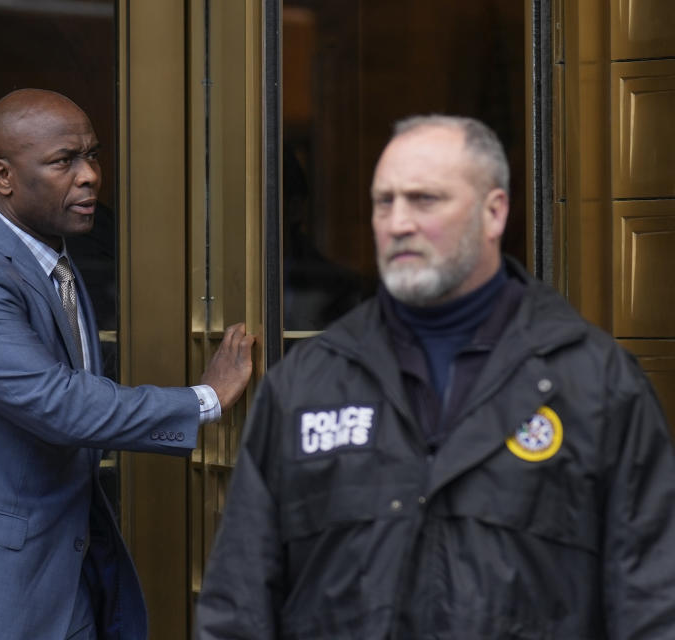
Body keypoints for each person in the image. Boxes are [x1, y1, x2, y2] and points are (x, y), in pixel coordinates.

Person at [196, 115, 675, 639]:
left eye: (425, 200)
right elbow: (238, 610)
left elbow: (652, 604)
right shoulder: (307, 385)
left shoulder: (596, 384)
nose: (398, 221)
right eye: (385, 201)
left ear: (494, 213)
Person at [0, 88, 255, 640]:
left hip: (48, 585)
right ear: (2, 176)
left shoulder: (53, 264)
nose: (89, 175)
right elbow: (58, 403)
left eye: (92, 156)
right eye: (64, 161)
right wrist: (204, 400)